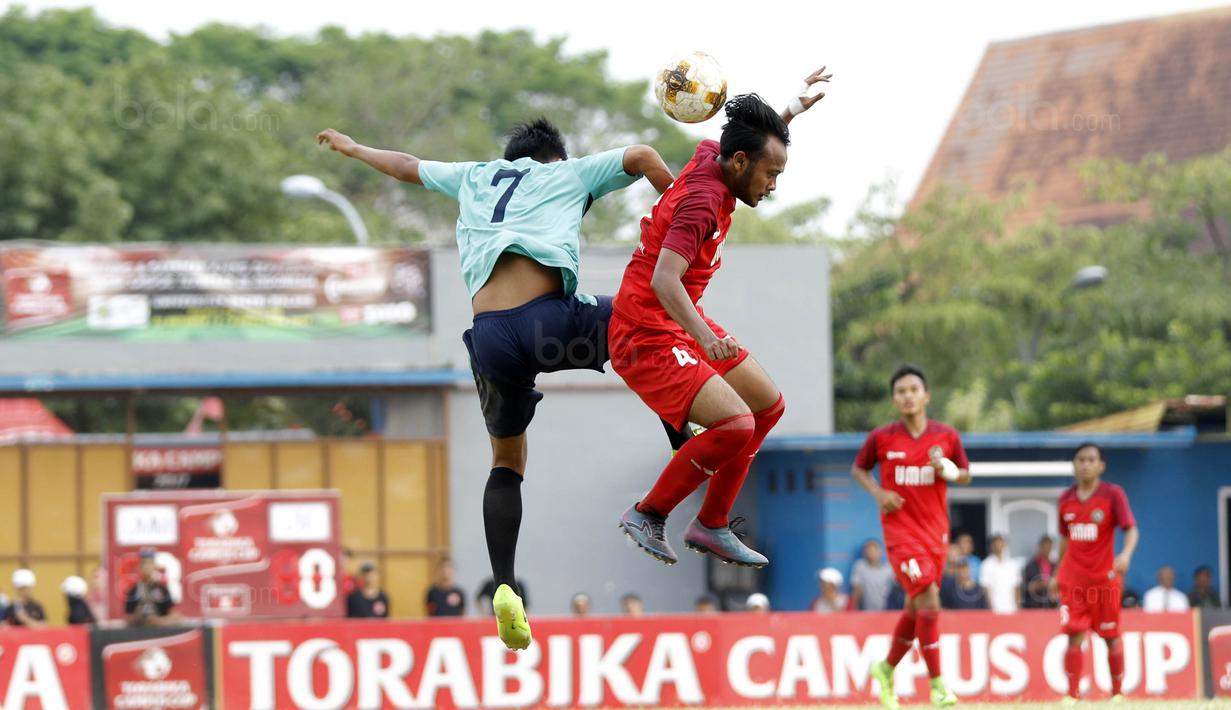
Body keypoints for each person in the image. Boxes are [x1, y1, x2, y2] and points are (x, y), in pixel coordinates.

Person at [318, 118, 679, 652]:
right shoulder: (566, 173)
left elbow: (406, 165)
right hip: (548, 325)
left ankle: (505, 585)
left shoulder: (474, 176)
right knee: (644, 323)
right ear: (554, 157)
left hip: (490, 339)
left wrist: (353, 148)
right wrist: (682, 224)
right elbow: (643, 155)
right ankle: (684, 440)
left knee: (506, 462)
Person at [615, 70, 832, 568]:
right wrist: (705, 339)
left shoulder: (718, 155)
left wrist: (789, 111)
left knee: (767, 406)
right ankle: (648, 513)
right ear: (739, 163)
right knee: (735, 425)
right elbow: (664, 281)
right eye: (771, 175)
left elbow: (752, 146)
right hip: (645, 334)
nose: (772, 185)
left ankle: (711, 523)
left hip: (676, 322)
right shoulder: (703, 202)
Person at [851, 364, 971, 709]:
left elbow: (965, 475)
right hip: (901, 535)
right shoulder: (882, 437)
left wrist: (947, 470)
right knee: (930, 601)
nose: (907, 396)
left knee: (916, 608)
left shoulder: (946, 436)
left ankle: (885, 668)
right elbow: (859, 469)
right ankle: (938, 685)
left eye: (913, 390)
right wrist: (879, 493)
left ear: (926, 396)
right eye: (901, 391)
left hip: (936, 535)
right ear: (894, 399)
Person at [1049, 442, 1140, 704]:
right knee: (1074, 635)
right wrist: (1056, 573)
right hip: (1073, 580)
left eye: (1091, 460)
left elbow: (1131, 529)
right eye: (1081, 460)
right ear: (1074, 465)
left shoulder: (1113, 494)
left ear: (1101, 465)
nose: (1086, 464)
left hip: (1104, 580)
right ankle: (1072, 695)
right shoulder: (1065, 499)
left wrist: (1125, 555)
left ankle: (1117, 693)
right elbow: (1064, 539)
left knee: (1110, 636)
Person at [124, 548, 177, 627]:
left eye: (149, 563)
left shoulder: (162, 589)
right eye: (144, 563)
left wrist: (158, 621)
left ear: (154, 566)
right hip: (140, 630)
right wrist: (137, 617)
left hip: (160, 631)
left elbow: (175, 616)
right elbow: (127, 619)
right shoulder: (133, 590)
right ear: (139, 567)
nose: (147, 567)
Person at [980, 534, 1021, 614]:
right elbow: (986, 588)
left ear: (1005, 545)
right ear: (992, 546)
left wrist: (1018, 607)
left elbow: (1016, 587)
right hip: (995, 609)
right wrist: (990, 608)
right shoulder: (986, 564)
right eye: (996, 543)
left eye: (1001, 543)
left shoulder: (1013, 564)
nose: (998, 545)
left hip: (1012, 609)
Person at [852, 539, 897, 611]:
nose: (872, 553)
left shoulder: (889, 569)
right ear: (865, 553)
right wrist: (853, 610)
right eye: (869, 551)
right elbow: (857, 590)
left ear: (880, 551)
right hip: (866, 612)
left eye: (874, 550)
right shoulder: (860, 567)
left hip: (886, 611)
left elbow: (897, 588)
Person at [1021, 536, 1058, 609]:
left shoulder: (1054, 566)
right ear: (1040, 547)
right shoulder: (1030, 566)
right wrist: (1039, 585)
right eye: (1045, 547)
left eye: (1049, 547)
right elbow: (1024, 587)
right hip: (1034, 607)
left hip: (1050, 607)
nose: (1047, 549)